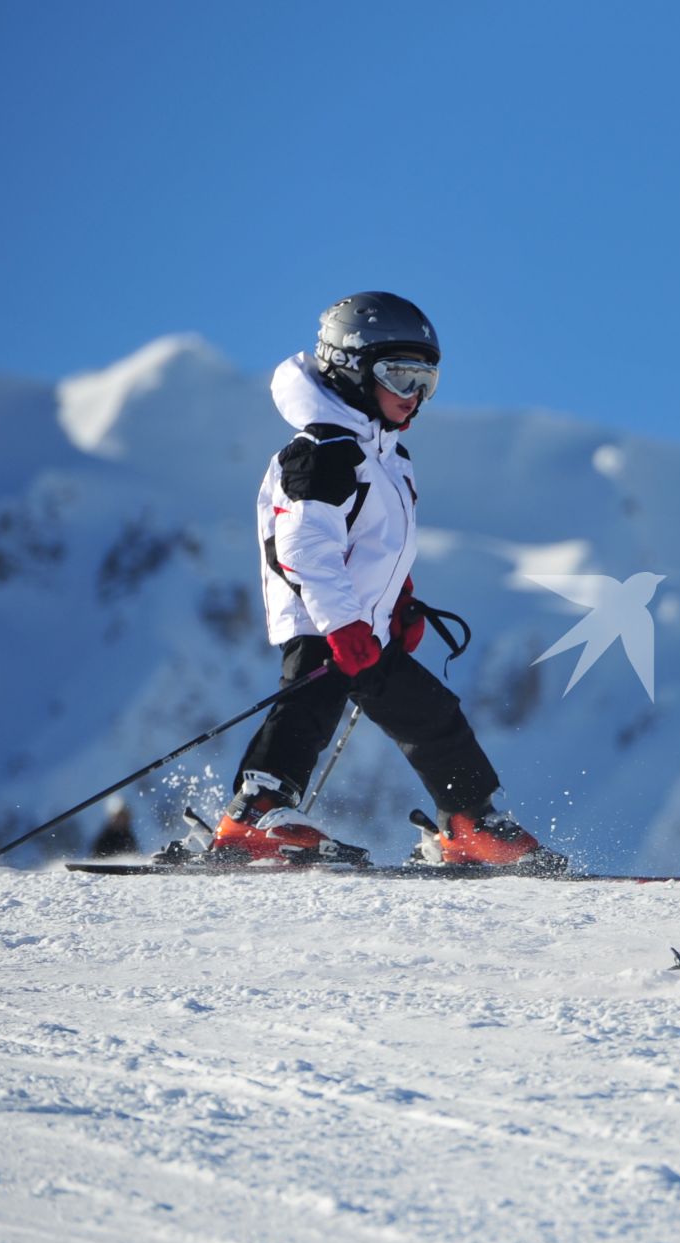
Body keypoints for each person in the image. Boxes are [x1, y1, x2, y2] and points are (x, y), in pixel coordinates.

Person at [200, 292, 553, 869]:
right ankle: (255, 814)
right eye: (400, 376)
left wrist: (397, 602)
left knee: (432, 713)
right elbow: (305, 548)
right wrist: (341, 624)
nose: (414, 396)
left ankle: (467, 822)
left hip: (365, 626)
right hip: (325, 620)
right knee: (310, 702)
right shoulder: (323, 451)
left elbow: (373, 543)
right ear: (350, 369)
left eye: (427, 381)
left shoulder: (387, 454)